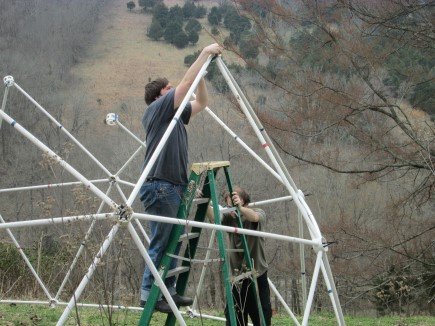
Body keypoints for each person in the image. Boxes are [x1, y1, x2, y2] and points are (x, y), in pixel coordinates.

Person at [139, 43, 223, 313]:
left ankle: (169, 290)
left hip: (173, 185)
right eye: (168, 89)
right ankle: (148, 292)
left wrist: (202, 79)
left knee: (172, 240)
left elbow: (202, 103)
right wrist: (204, 53)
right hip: (160, 184)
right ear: (159, 97)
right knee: (163, 240)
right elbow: (186, 85)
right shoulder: (157, 110)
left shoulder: (175, 115)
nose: (173, 91)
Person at [208, 187, 272, 326]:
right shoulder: (229, 218)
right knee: (233, 318)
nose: (231, 209)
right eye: (228, 205)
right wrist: (205, 203)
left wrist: (240, 209)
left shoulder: (257, 213)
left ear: (244, 201)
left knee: (261, 316)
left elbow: (254, 217)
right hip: (237, 277)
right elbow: (215, 217)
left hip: (256, 273)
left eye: (234, 204)